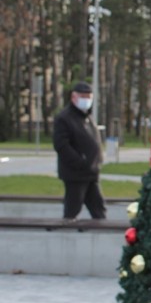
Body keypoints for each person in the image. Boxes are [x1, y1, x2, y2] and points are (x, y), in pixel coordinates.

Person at [53, 81, 106, 222]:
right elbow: (61, 145)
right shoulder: (64, 118)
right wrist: (79, 161)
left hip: (91, 173)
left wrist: (98, 160)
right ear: (73, 97)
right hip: (75, 174)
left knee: (98, 209)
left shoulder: (87, 117)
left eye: (89, 96)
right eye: (83, 96)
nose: (86, 100)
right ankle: (65, 237)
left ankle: (102, 236)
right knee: (72, 208)